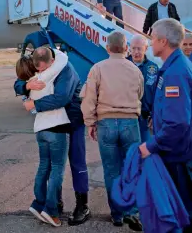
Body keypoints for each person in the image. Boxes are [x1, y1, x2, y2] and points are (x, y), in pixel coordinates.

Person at [14, 49, 91, 226]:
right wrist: (26, 86)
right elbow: (19, 81)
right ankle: (54, 204)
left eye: (42, 69)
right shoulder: (41, 62)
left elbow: (61, 98)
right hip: (54, 123)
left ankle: (82, 205)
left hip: (73, 119)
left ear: (51, 61)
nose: (39, 73)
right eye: (37, 69)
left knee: (76, 162)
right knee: (53, 166)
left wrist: (34, 103)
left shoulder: (65, 69)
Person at [80, 31, 143, 230]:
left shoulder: (97, 69)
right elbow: (140, 94)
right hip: (130, 123)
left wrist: (90, 122)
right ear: (126, 49)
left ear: (107, 48)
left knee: (111, 171)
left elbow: (89, 99)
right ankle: (131, 212)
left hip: (106, 122)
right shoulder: (135, 70)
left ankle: (116, 214)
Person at [138, 18, 192, 231]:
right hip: (175, 152)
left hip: (177, 156)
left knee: (182, 212)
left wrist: (150, 145)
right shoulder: (174, 66)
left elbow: (177, 123)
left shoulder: (175, 73)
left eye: (152, 39)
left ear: (163, 41)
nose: (150, 44)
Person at [16, 47, 69, 227]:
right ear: (47, 63)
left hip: (40, 129)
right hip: (57, 127)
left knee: (43, 167)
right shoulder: (48, 74)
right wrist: (50, 50)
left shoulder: (31, 81)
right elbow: (62, 57)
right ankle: (50, 210)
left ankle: (38, 203)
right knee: (57, 170)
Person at [127, 35, 159, 142]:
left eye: (139, 48)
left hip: (145, 119)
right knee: (128, 153)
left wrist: (155, 114)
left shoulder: (153, 68)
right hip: (126, 118)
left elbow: (157, 94)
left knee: (144, 151)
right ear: (129, 48)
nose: (136, 52)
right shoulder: (123, 65)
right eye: (133, 48)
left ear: (146, 49)